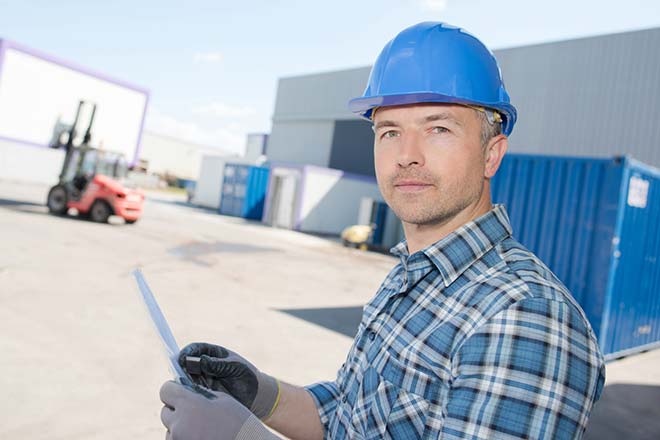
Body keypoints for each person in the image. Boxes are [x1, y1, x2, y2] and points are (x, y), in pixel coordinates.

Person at [159, 22, 606, 440]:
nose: (406, 155)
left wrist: (242, 436)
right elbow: (346, 417)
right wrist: (260, 394)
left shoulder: (525, 316)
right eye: (389, 131)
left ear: (492, 154)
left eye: (439, 128)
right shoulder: (410, 275)